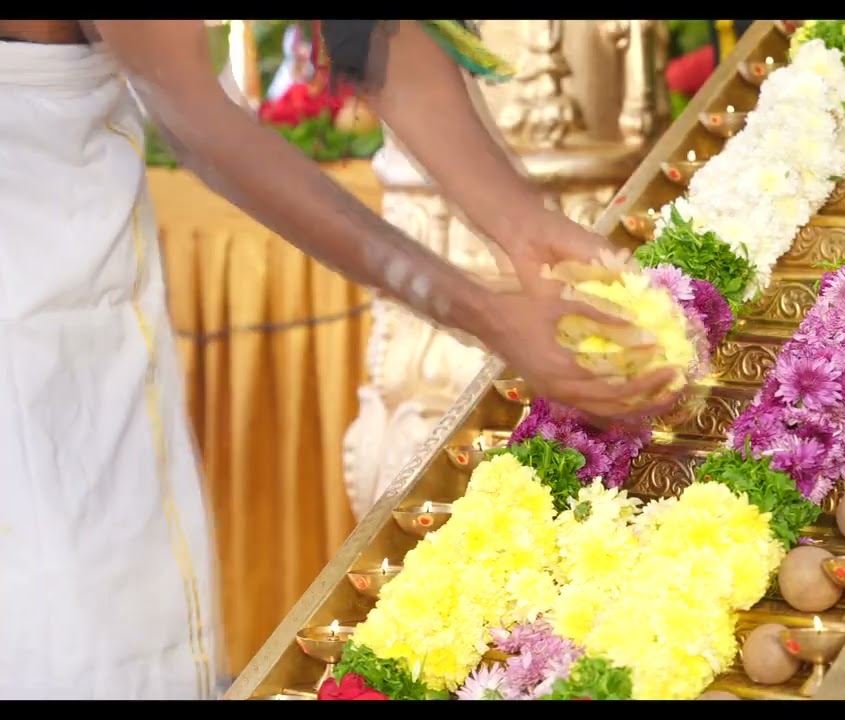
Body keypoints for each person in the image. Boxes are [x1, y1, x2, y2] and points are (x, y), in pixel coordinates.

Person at [0, 18, 674, 700]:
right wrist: (487, 313)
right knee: (71, 629)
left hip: (69, 265)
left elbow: (372, 29)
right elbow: (200, 116)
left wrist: (523, 226)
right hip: (28, 307)